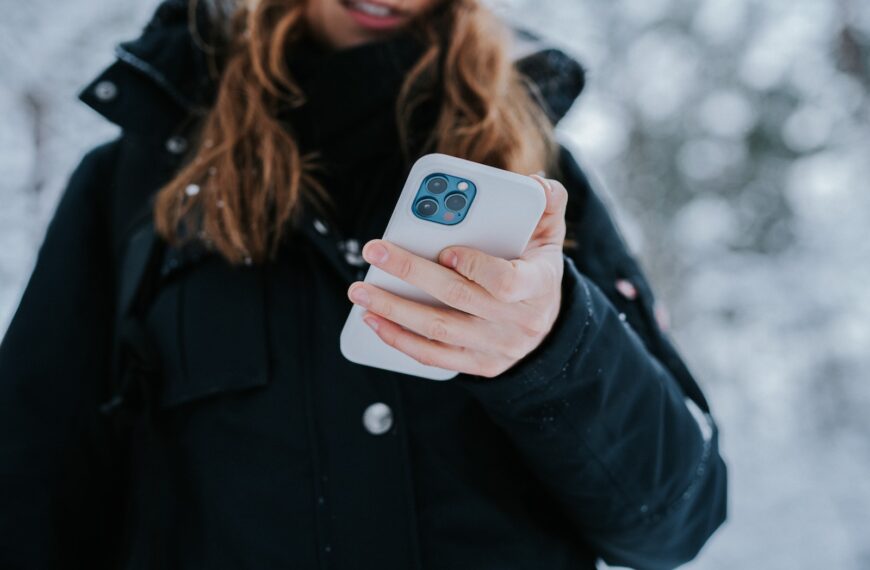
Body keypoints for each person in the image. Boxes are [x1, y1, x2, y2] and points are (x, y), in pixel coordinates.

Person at [0, 0, 727, 568]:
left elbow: (676, 522)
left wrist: (553, 348)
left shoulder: (536, 180)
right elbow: (31, 498)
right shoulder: (133, 183)